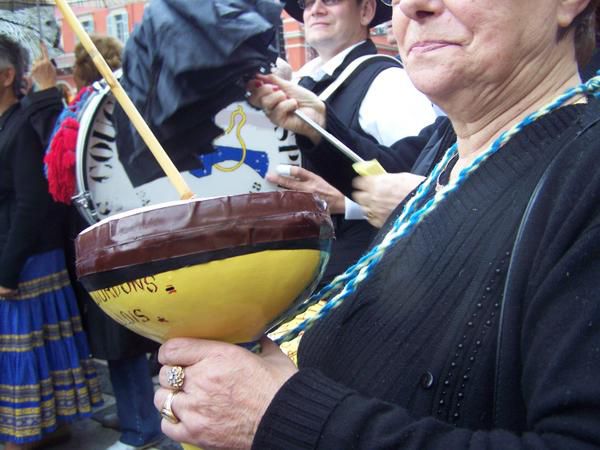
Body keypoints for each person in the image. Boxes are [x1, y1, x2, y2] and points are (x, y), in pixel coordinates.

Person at [153, 0, 600, 448]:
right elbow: (395, 188)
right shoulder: (451, 143)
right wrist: (319, 128)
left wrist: (275, 415)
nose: (412, 7)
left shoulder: (587, 176)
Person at [45, 35, 162, 450]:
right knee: (128, 335)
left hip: (108, 236)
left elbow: (64, 179)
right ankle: (138, 414)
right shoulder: (132, 99)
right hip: (128, 230)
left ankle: (141, 427)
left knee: (121, 336)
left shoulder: (89, 108)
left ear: (80, 68)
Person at [268, 0, 436, 285]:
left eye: (330, 0)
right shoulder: (303, 82)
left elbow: (423, 178)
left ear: (366, 11)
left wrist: (348, 203)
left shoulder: (388, 82)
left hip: (361, 275)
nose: (315, 9)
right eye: (307, 3)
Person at [0, 35, 103, 450]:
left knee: (23, 348)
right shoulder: (9, 121)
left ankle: (26, 432)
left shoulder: (22, 124)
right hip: (18, 248)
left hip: (26, 255)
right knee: (31, 345)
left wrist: (7, 268)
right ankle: (49, 424)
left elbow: (32, 203)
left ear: (6, 76)